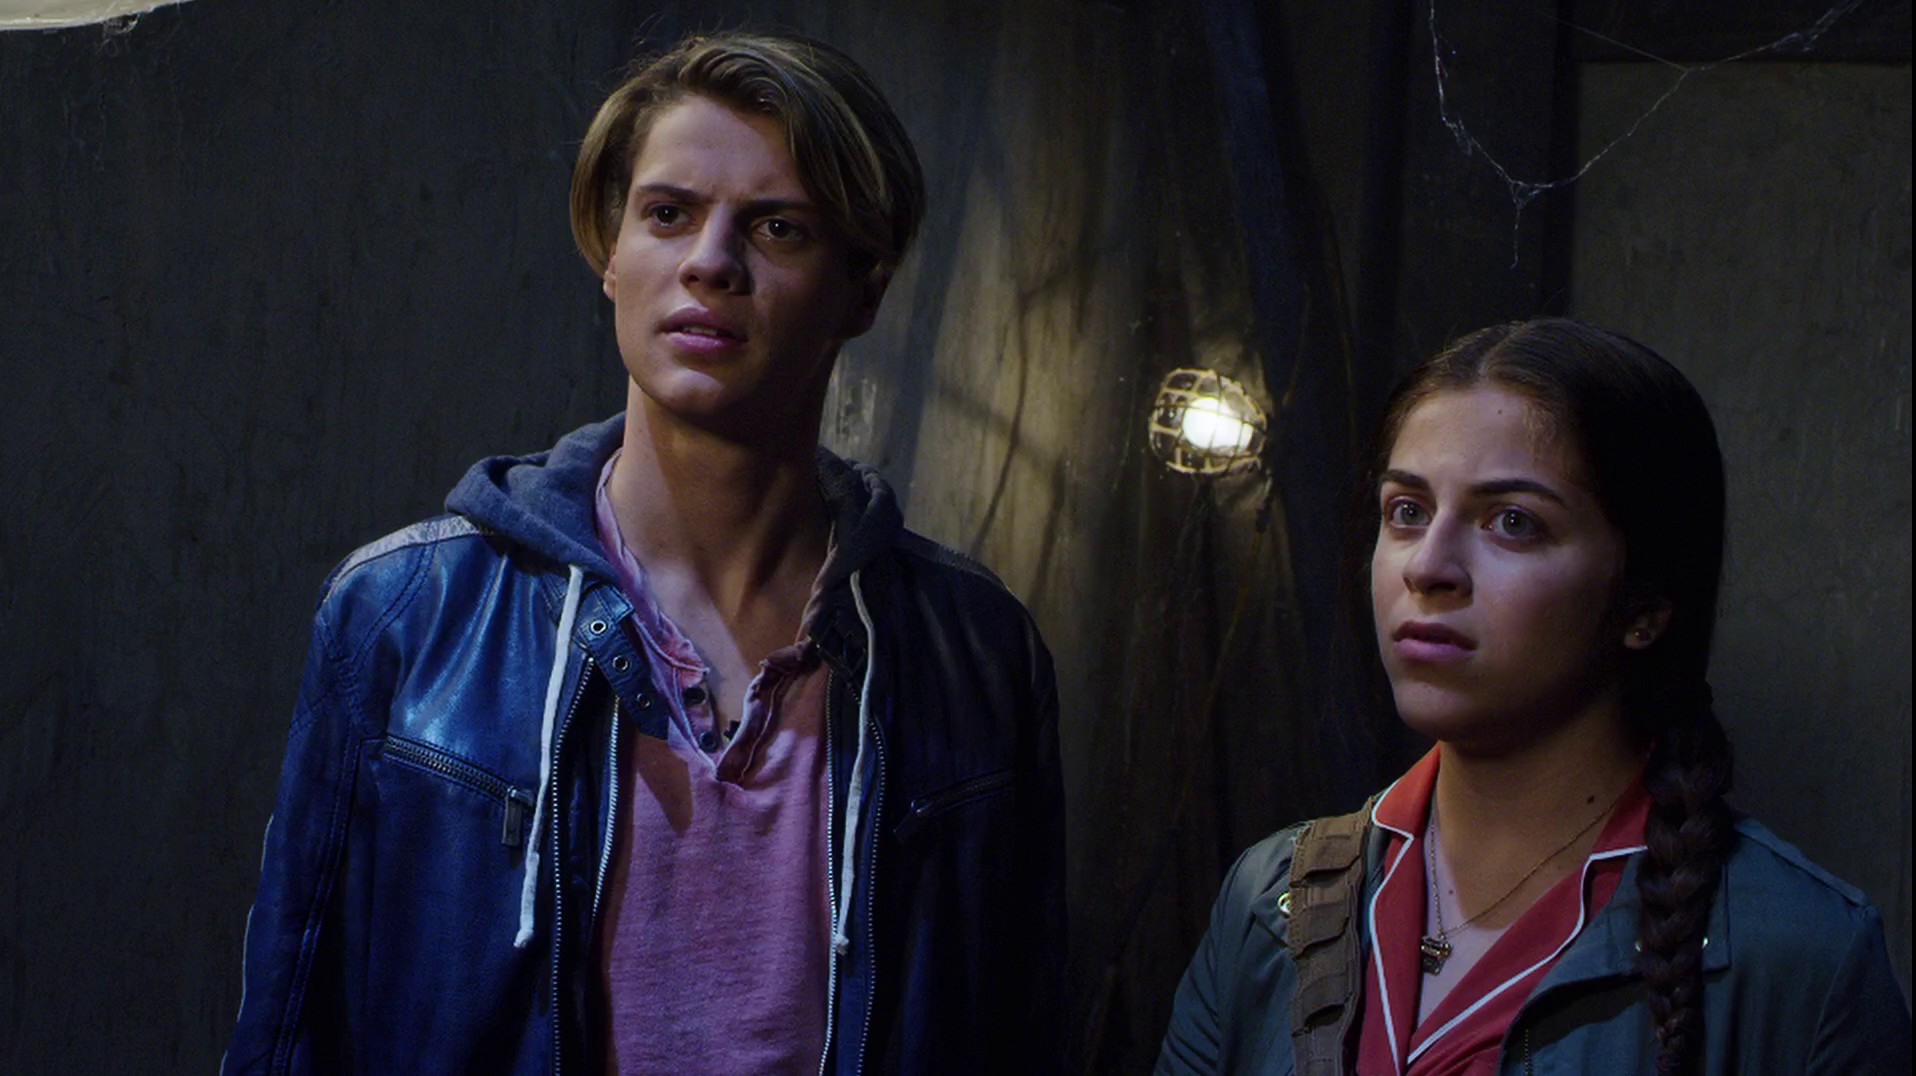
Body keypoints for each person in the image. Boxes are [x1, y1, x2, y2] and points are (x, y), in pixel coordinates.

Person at [225, 31, 1064, 1074]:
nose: (711, 262)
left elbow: (1023, 1025)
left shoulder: (974, 654)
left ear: (863, 289)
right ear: (609, 253)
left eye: (778, 227)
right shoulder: (406, 614)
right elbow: (292, 1029)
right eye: (667, 214)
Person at [1156, 318, 1912, 1074]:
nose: (1428, 567)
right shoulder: (1269, 902)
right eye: (1407, 511)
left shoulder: (1803, 961)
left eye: (1513, 522)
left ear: (1645, 604)